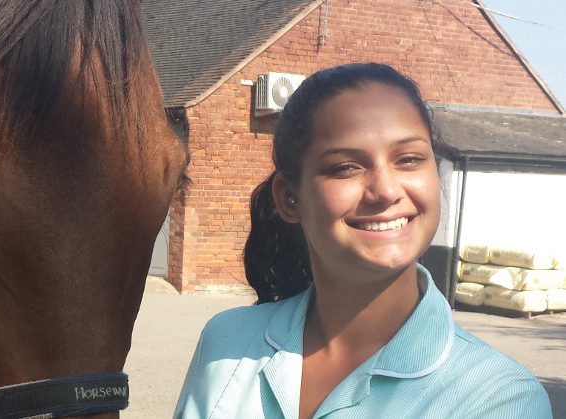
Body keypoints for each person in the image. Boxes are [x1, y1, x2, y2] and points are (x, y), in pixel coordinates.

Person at [174, 63, 552, 419]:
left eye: (408, 159)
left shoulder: (497, 397)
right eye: (345, 167)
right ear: (289, 198)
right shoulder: (227, 343)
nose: (386, 191)